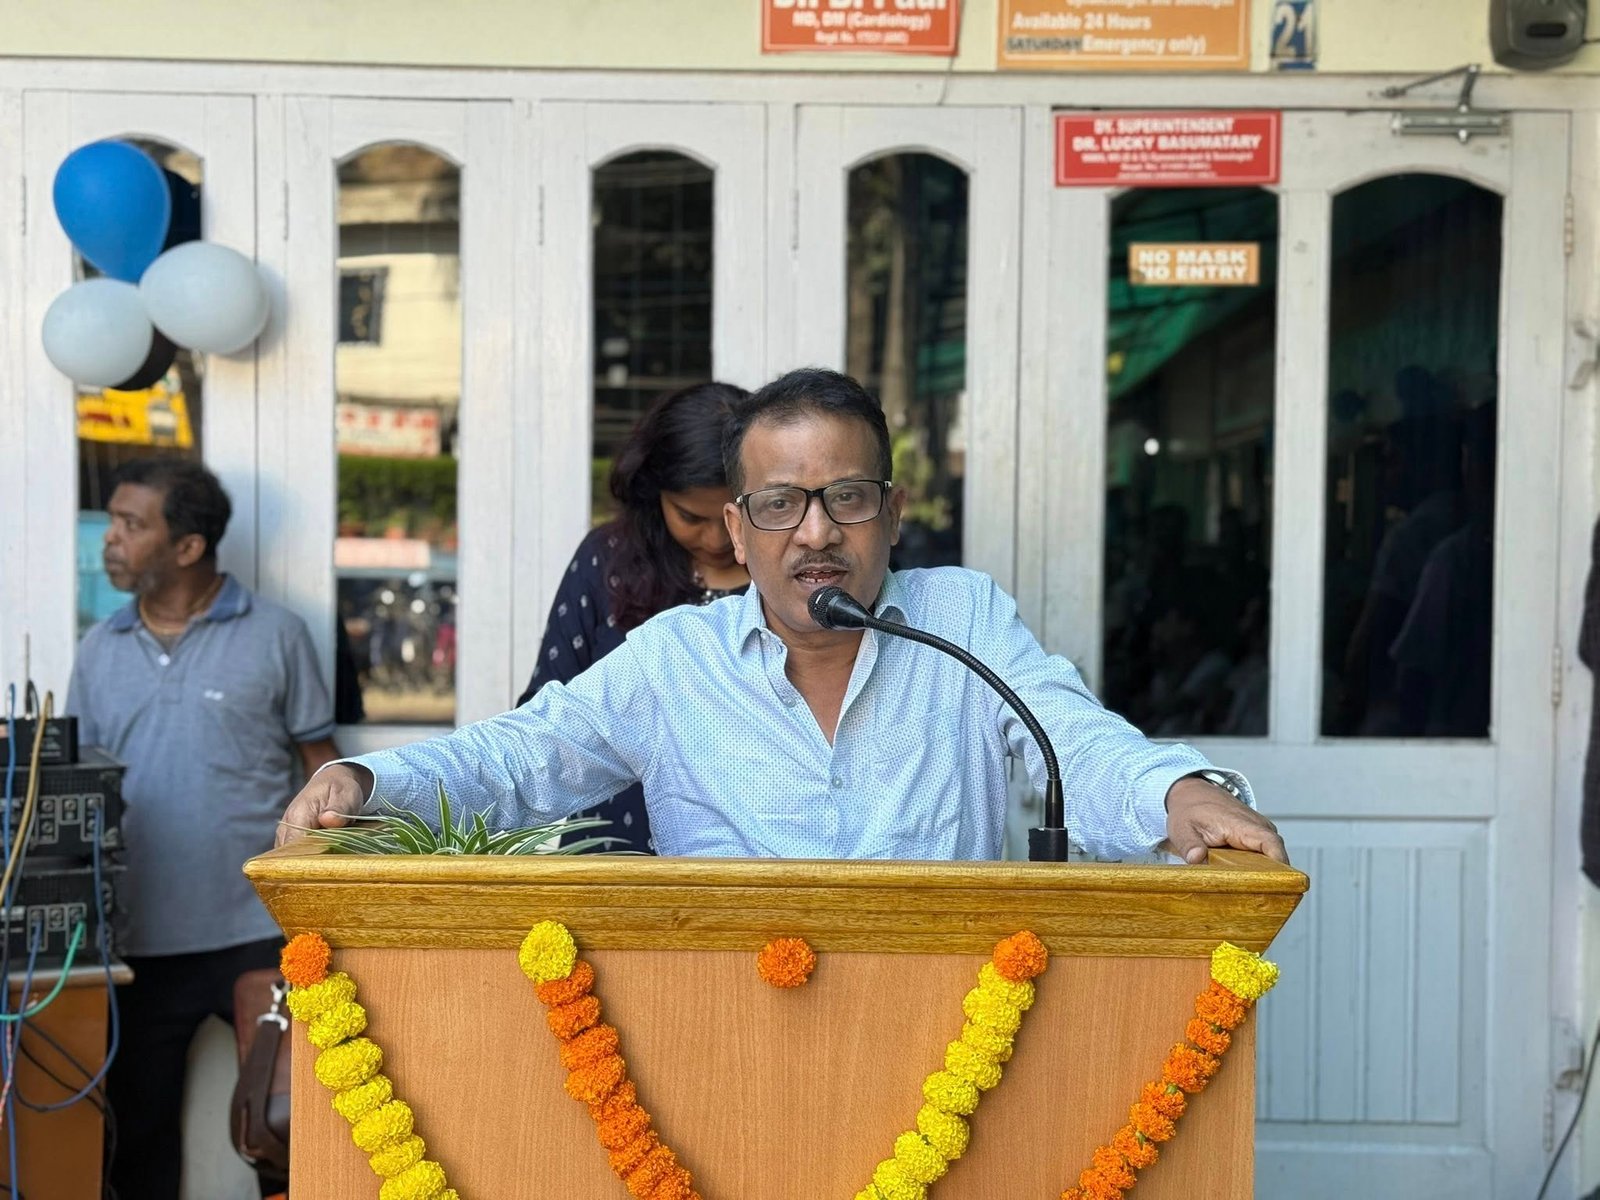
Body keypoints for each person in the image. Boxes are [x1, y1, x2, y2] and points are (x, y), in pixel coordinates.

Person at [279, 368, 1285, 867]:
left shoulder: (962, 620)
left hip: (957, 1041)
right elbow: (518, 759)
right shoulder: (673, 659)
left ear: (892, 512)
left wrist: (1177, 792)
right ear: (737, 526)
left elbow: (1075, 739)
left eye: (846, 497)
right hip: (730, 1051)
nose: (816, 533)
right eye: (779, 504)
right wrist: (367, 780)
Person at [66, 458, 339, 1200]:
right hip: (139, 943)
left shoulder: (277, 635)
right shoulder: (99, 648)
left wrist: (324, 904)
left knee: (288, 1133)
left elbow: (324, 772)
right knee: (136, 1142)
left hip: (261, 932)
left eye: (131, 524)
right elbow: (77, 791)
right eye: (113, 521)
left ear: (188, 546)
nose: (110, 539)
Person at [514, 381, 750, 853]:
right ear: (652, 491)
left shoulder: (791, 580)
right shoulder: (609, 560)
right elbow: (542, 714)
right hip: (609, 849)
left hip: (743, 859)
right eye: (691, 517)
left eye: (735, 517)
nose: (717, 540)